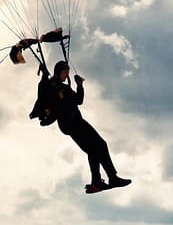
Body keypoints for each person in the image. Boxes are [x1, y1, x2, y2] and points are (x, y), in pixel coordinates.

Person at [30, 60, 131, 194]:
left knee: (97, 147)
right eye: (65, 72)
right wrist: (44, 75)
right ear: (58, 72)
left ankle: (102, 181)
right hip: (70, 123)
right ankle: (108, 179)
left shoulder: (65, 87)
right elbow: (43, 92)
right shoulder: (51, 86)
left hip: (76, 121)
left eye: (67, 72)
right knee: (97, 147)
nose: (66, 75)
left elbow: (79, 100)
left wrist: (79, 85)